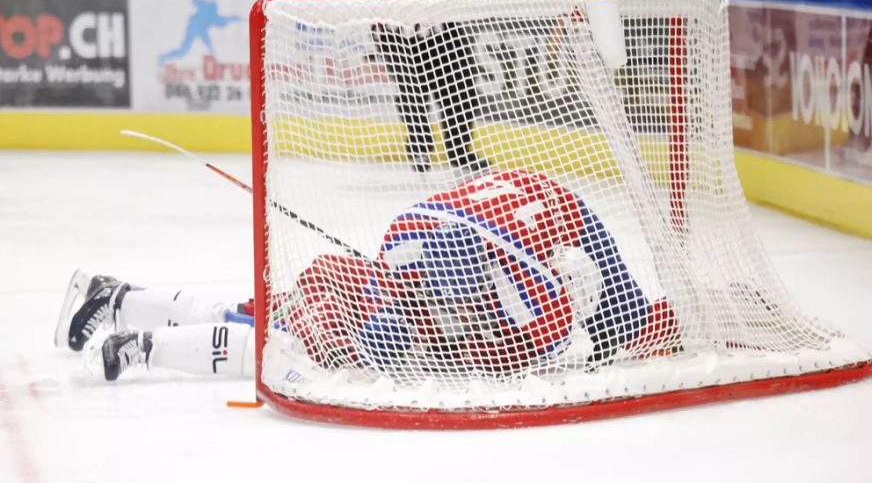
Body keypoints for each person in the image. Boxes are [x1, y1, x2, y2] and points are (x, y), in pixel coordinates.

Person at [58, 170, 677, 381]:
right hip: (419, 268)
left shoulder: (550, 206)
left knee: (277, 315)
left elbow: (430, 236)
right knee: (293, 338)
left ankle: (121, 302)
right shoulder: (560, 283)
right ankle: (140, 341)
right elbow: (518, 340)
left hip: (405, 248)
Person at [365, 0, 490, 173]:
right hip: (400, 39)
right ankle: (420, 152)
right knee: (412, 95)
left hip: (446, 36)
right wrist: (378, 40)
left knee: (460, 94)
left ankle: (459, 153)